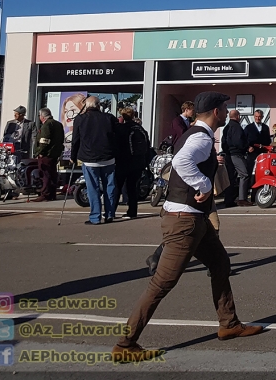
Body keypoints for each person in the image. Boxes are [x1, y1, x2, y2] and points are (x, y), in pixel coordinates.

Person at [112, 91, 263, 363]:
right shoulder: (201, 137)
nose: (227, 111)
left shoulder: (194, 133)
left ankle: (228, 323)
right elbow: (181, 162)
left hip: (195, 218)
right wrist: (204, 184)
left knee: (219, 263)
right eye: (224, 107)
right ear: (216, 112)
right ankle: (126, 343)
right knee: (161, 283)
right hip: (184, 220)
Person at [71, 96, 118, 225]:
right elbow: (117, 137)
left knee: (93, 188)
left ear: (86, 106)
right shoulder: (109, 118)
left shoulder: (80, 119)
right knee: (110, 187)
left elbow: (75, 140)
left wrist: (73, 156)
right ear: (98, 105)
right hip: (108, 158)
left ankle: (95, 217)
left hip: (89, 158)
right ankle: (109, 215)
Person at [114, 108, 151, 219]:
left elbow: (117, 146)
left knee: (117, 186)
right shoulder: (140, 129)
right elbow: (147, 146)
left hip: (124, 161)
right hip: (139, 162)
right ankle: (132, 211)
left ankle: (111, 210)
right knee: (133, 187)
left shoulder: (122, 128)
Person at [32, 107, 65, 202]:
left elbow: (44, 140)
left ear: (42, 116)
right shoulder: (58, 124)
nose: (39, 117)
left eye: (39, 116)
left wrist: (39, 152)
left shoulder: (47, 124)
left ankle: (45, 194)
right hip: (55, 153)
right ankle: (52, 194)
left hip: (46, 154)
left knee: (45, 174)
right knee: (52, 174)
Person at [221, 110, 251, 207]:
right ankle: (242, 198)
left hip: (228, 155)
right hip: (236, 154)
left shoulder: (226, 128)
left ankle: (228, 200)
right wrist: (246, 147)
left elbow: (223, 142)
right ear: (238, 116)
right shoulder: (237, 127)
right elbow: (238, 141)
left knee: (231, 177)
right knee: (244, 174)